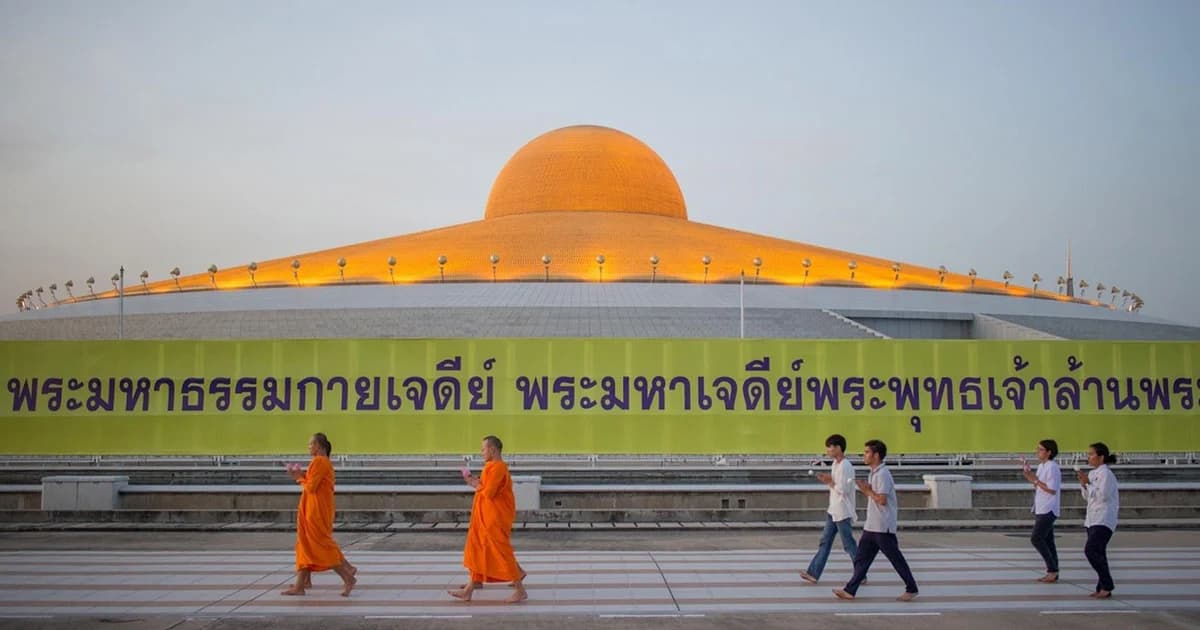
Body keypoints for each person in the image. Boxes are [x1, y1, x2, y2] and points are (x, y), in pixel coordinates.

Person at [833, 439, 918, 602]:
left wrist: (866, 491)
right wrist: (867, 489)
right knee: (861, 559)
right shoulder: (874, 472)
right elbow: (875, 495)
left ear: (876, 455)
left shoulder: (883, 474)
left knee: (895, 559)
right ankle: (850, 590)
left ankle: (912, 588)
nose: (863, 455)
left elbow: (882, 500)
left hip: (882, 526)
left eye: (867, 452)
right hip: (872, 526)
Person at [448, 435, 528, 603]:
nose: (481, 452)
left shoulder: (498, 468)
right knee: (478, 548)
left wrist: (475, 484)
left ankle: (520, 590)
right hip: (484, 516)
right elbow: (485, 487)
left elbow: (489, 493)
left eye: (483, 449)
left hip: (494, 518)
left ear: (493, 449)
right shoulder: (490, 467)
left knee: (501, 551)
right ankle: (470, 588)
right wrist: (474, 482)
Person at [281, 432, 357, 597]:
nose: (309, 447)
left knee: (319, 544)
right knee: (306, 543)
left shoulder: (320, 461)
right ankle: (302, 583)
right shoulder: (320, 462)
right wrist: (301, 476)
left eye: (311, 444)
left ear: (319, 446)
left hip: (316, 510)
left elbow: (311, 487)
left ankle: (347, 576)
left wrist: (298, 478)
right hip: (312, 507)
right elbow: (312, 483)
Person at [799, 434, 863, 585]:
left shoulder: (846, 466)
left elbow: (844, 489)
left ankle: (861, 573)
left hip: (842, 511)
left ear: (839, 448)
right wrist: (828, 480)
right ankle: (813, 573)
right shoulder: (835, 464)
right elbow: (835, 485)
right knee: (825, 542)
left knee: (849, 545)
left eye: (830, 447)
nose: (828, 450)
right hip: (833, 510)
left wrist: (830, 481)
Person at [1078, 442, 1119, 599]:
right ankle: (1102, 587)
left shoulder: (1106, 474)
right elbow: (1087, 496)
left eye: (1091, 454)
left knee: (1091, 550)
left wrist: (1087, 483)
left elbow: (1103, 495)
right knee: (1099, 553)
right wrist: (1084, 484)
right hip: (1092, 519)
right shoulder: (1093, 473)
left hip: (1103, 518)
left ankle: (1107, 584)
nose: (1089, 457)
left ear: (1101, 457)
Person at [1023, 439, 1061, 583]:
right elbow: (1038, 486)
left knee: (1036, 538)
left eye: (1040, 449)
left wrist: (1035, 480)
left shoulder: (1052, 467)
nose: (1037, 452)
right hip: (1041, 507)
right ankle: (1054, 571)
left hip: (1049, 508)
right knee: (1048, 541)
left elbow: (1051, 489)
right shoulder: (1042, 466)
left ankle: (1051, 569)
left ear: (1049, 452)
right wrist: (1030, 476)